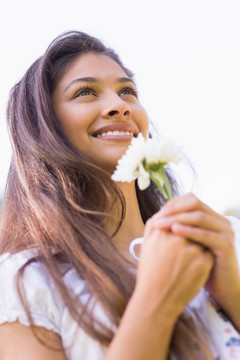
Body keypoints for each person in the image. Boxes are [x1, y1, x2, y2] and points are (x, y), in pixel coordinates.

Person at [0, 31, 239, 360]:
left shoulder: (227, 239)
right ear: (44, 129)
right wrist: (158, 301)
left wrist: (233, 293)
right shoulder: (26, 283)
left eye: (127, 91)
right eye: (85, 92)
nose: (119, 106)